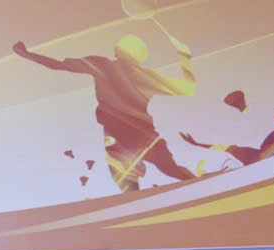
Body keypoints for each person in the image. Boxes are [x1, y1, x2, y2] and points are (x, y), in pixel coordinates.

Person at [12, 32, 197, 192]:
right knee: (167, 169)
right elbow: (188, 89)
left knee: (129, 177)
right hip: (140, 134)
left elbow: (58, 65)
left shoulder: (102, 65)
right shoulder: (147, 76)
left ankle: (140, 197)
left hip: (121, 134)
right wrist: (185, 59)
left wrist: (27, 54)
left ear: (118, 51)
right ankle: (190, 183)